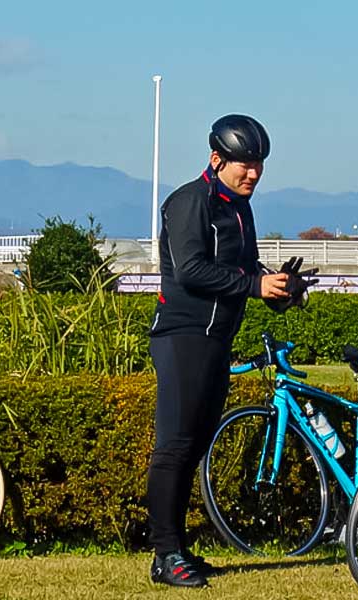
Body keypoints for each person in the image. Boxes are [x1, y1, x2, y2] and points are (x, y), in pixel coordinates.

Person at [147, 114, 292, 588]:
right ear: (216, 159)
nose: (252, 174)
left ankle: (178, 548)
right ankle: (165, 554)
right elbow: (190, 269)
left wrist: (279, 287)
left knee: (194, 447)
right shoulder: (191, 201)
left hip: (216, 340)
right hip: (183, 335)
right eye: (244, 165)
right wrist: (254, 285)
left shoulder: (239, 208)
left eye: (258, 166)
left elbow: (244, 268)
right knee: (174, 447)